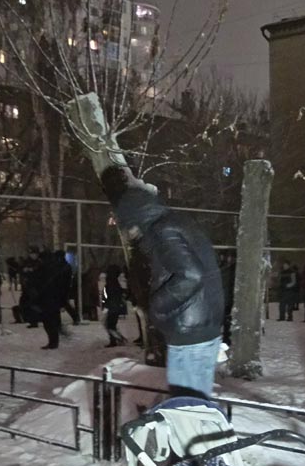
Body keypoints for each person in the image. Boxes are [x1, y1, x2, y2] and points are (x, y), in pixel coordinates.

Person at [101, 170, 224, 399]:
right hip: (202, 326)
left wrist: (156, 307)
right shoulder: (176, 223)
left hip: (189, 332)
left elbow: (191, 275)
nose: (130, 233)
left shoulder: (162, 232)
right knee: (193, 405)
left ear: (135, 217)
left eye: (128, 226)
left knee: (186, 409)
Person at [102, 264, 128, 347]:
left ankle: (117, 339)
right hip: (116, 306)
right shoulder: (116, 283)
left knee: (109, 325)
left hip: (111, 307)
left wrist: (105, 304)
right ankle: (116, 339)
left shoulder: (109, 283)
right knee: (111, 324)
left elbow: (106, 296)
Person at [219, 251, 237, 343]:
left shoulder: (232, 269)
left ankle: (227, 337)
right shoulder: (224, 267)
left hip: (228, 297)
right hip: (224, 296)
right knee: (223, 318)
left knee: (227, 318)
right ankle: (225, 336)